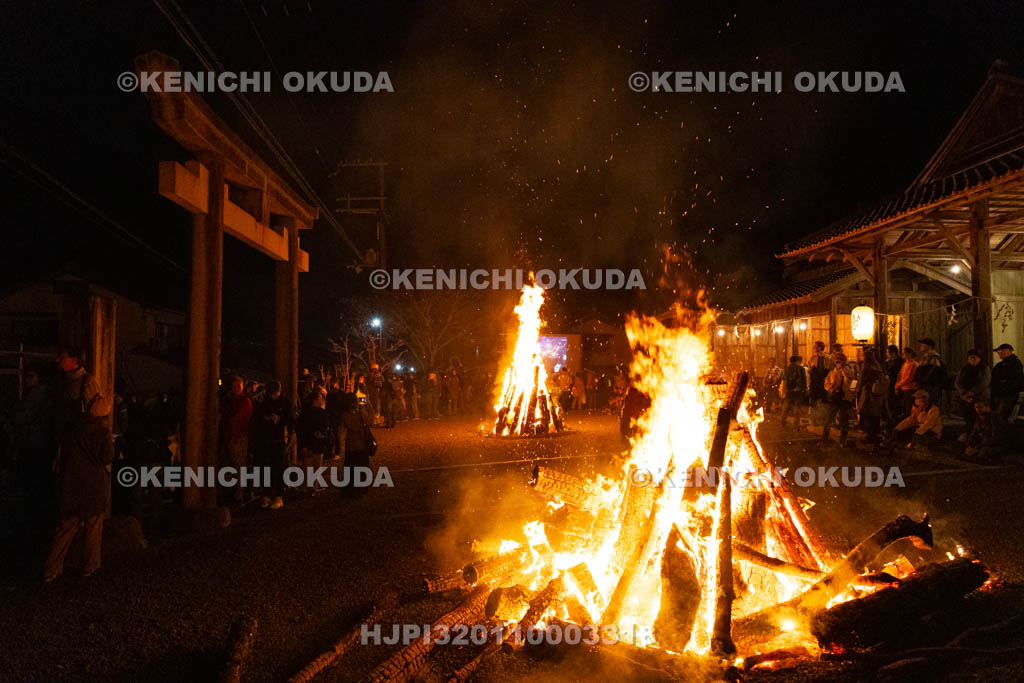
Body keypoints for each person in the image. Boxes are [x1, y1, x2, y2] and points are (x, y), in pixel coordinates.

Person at [43, 395, 115, 581]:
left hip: (72, 483)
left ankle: (51, 568)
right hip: (94, 486)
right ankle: (90, 565)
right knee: (93, 526)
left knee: (65, 528)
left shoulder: (74, 428)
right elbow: (107, 458)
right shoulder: (103, 433)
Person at [252, 381, 294, 510]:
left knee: (278, 468)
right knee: (265, 467)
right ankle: (266, 494)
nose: (274, 395)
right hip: (264, 440)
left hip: (278, 440)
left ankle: (278, 496)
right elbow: (256, 419)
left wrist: (280, 419)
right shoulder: (262, 402)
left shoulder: (285, 403)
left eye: (276, 393)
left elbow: (292, 420)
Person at [54, 346, 102, 439]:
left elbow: (94, 414)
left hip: (76, 437)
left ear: (74, 360)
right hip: (61, 435)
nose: (58, 360)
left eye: (63, 357)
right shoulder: (62, 380)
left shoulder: (87, 382)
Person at [219, 374, 252, 504]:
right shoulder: (231, 400)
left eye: (238, 386)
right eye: (234, 386)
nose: (236, 388)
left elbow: (236, 419)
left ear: (242, 386)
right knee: (230, 466)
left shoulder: (244, 401)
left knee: (239, 467)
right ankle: (231, 491)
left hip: (239, 437)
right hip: (229, 436)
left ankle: (239, 495)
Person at [340, 392, 375, 497]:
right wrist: (368, 405)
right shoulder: (360, 413)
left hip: (350, 446)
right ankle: (361, 488)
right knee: (362, 467)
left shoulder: (344, 415)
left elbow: (344, 429)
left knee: (350, 468)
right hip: (361, 444)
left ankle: (350, 489)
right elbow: (370, 420)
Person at [297, 387, 332, 493]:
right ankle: (308, 486)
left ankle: (312, 486)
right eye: (321, 398)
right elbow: (302, 429)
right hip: (311, 443)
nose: (322, 400)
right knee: (309, 466)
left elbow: (327, 427)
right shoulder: (309, 413)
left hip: (317, 443)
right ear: (315, 400)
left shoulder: (319, 412)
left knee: (315, 466)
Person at [954, 349, 990, 440]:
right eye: (970, 358)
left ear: (979, 359)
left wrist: (972, 392)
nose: (972, 360)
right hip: (965, 396)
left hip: (979, 396)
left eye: (975, 358)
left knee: (977, 417)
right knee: (967, 417)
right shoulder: (965, 369)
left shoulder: (984, 368)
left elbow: (984, 383)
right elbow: (958, 382)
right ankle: (969, 434)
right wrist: (962, 392)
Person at [822, 353, 854, 447]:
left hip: (844, 398)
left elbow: (849, 380)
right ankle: (825, 438)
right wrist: (831, 388)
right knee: (829, 418)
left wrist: (842, 370)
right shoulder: (832, 372)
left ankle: (842, 440)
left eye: (840, 360)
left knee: (844, 419)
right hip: (835, 398)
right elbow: (826, 384)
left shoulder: (848, 371)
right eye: (836, 360)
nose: (838, 362)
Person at [990, 343, 1024, 424]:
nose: (999, 354)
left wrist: (1003, 385)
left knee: (1002, 416)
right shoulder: (1000, 365)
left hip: (1008, 395)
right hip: (999, 394)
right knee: (997, 415)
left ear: (1008, 351)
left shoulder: (1015, 364)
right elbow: (994, 377)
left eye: (1001, 352)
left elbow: (1014, 379)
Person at [857, 348, 885, 444]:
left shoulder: (866, 367)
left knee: (866, 413)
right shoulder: (877, 366)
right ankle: (876, 432)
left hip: (868, 393)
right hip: (876, 393)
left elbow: (861, 381)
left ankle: (869, 434)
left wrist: (858, 390)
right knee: (875, 413)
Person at [914, 338, 945, 406]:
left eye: (923, 345)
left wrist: (922, 381)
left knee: (930, 405)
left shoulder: (934, 359)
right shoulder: (924, 358)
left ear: (929, 347)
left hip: (930, 387)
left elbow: (932, 373)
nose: (921, 346)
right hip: (924, 386)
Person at [779, 355, 807, 428]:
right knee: (796, 408)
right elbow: (803, 380)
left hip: (789, 391)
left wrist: (784, 390)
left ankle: (783, 421)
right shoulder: (801, 369)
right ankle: (796, 424)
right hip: (798, 391)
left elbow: (784, 380)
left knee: (786, 407)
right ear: (797, 361)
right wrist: (804, 389)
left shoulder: (787, 369)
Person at [807, 341, 831, 425]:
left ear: (820, 347)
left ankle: (824, 419)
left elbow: (829, 369)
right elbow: (810, 369)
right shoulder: (813, 357)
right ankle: (814, 419)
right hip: (814, 382)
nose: (814, 348)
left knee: (825, 401)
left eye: (816, 346)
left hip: (823, 382)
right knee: (813, 400)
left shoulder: (827, 357)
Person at [894, 347, 919, 418]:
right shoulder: (905, 364)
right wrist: (897, 384)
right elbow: (900, 375)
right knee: (905, 406)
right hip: (903, 388)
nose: (903, 355)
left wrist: (898, 384)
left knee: (909, 407)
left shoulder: (913, 364)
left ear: (909, 354)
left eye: (904, 353)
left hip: (909, 388)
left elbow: (908, 378)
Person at [884, 345, 904, 425]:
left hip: (896, 385)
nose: (886, 354)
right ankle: (891, 420)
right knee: (888, 404)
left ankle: (895, 421)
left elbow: (895, 373)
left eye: (888, 352)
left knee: (895, 404)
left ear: (893, 353)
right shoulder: (888, 362)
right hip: (889, 385)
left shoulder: (900, 362)